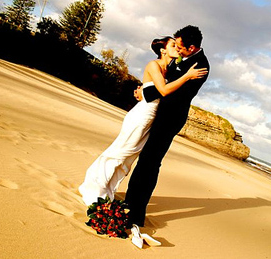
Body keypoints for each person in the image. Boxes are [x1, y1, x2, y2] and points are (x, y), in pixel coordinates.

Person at [78, 36, 208, 206]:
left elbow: (157, 92)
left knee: (130, 157)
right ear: (163, 50)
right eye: (173, 45)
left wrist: (144, 92)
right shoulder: (154, 65)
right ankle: (94, 189)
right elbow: (163, 89)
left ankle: (108, 191)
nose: (177, 48)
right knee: (122, 151)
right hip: (142, 116)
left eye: (178, 46)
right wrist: (187, 76)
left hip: (153, 119)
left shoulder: (170, 69)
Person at [125, 25, 210, 227]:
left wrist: (149, 94)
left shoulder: (200, 66)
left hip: (170, 117)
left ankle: (136, 213)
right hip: (157, 111)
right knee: (144, 159)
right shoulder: (183, 57)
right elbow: (163, 81)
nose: (177, 50)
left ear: (191, 48)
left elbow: (176, 93)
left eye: (180, 47)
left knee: (151, 161)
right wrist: (144, 91)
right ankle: (129, 201)